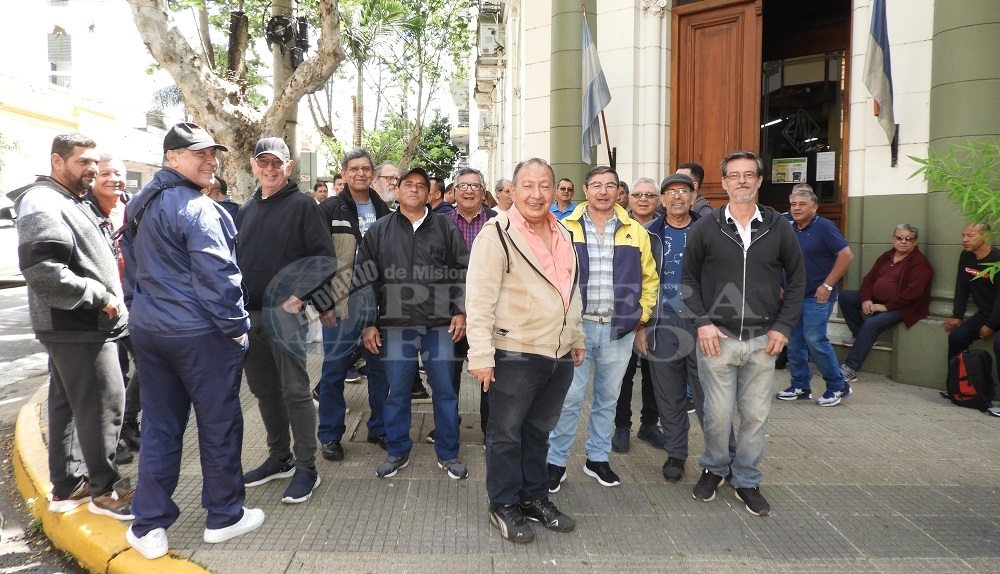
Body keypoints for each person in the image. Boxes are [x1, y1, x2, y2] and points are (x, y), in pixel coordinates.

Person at [120, 122, 262, 559]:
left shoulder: (139, 205)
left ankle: (149, 525)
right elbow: (219, 278)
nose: (210, 160)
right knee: (218, 424)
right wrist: (237, 326)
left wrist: (139, 311)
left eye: (212, 153)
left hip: (151, 332)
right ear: (171, 158)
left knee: (161, 427)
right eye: (197, 153)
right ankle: (223, 516)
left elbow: (130, 266)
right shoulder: (198, 208)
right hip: (201, 336)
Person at [9, 133, 133, 521]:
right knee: (104, 405)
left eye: (95, 162)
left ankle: (67, 487)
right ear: (57, 162)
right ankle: (105, 491)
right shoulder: (43, 200)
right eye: (83, 162)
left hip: (77, 325)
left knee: (66, 404)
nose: (92, 169)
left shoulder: (69, 199)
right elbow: (43, 270)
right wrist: (100, 296)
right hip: (78, 325)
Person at [467, 157, 584, 543]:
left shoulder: (564, 232)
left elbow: (571, 290)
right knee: (505, 435)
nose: (537, 194)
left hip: (558, 355)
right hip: (514, 353)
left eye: (544, 186)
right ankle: (503, 504)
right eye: (527, 186)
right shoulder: (495, 234)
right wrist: (481, 356)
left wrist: (577, 336)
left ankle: (533, 498)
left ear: (554, 191)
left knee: (538, 432)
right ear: (512, 192)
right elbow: (479, 300)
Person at [682, 150, 805, 517]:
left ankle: (747, 479)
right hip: (716, 338)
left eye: (748, 175)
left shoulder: (777, 225)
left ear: (759, 181)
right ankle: (715, 467)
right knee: (717, 414)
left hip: (762, 341)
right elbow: (687, 279)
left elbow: (797, 279)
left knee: (755, 415)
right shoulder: (707, 226)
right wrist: (702, 321)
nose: (741, 181)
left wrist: (783, 327)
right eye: (734, 175)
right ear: (723, 183)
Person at [237, 137, 337, 505]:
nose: (269, 169)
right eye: (263, 162)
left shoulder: (303, 206)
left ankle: (307, 468)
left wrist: (298, 298)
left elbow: (323, 260)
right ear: (253, 166)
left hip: (285, 319)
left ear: (289, 167)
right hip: (251, 318)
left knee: (295, 392)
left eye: (276, 163)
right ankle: (280, 458)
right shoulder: (246, 210)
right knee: (264, 392)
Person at [547, 165, 658, 490]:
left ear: (617, 191)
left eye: (610, 185)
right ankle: (556, 462)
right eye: (597, 185)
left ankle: (597, 458)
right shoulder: (563, 227)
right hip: (575, 330)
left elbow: (649, 278)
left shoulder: (634, 230)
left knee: (607, 399)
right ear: (586, 188)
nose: (603, 191)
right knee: (569, 399)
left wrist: (641, 314)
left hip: (618, 330)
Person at [359, 167, 470, 480]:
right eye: (408, 184)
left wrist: (460, 310)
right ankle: (397, 450)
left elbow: (462, 271)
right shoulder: (380, 230)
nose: (414, 190)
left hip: (439, 326)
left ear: (429, 193)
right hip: (395, 326)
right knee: (397, 392)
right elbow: (365, 279)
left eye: (421, 186)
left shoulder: (446, 229)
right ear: (397, 190)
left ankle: (448, 453)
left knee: (445, 390)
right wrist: (369, 322)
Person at [316, 148, 393, 460]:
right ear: (345, 174)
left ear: (372, 174)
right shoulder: (329, 210)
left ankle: (379, 426)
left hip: (376, 305)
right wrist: (323, 303)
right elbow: (316, 261)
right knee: (334, 371)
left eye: (366, 169)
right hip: (341, 304)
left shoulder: (386, 212)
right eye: (354, 169)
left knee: (380, 370)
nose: (360, 173)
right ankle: (331, 435)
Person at [644, 173, 705, 482]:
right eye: (671, 192)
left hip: (703, 324)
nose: (678, 196)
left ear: (693, 197)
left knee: (710, 395)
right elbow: (638, 280)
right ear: (662, 200)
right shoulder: (648, 233)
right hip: (662, 323)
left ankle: (720, 455)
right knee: (669, 395)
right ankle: (676, 453)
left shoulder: (710, 230)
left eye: (684, 191)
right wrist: (642, 325)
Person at [777, 184, 855, 406]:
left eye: (803, 204)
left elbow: (846, 255)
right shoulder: (788, 228)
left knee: (815, 340)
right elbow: (779, 259)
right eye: (793, 204)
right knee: (793, 342)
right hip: (793, 295)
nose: (797, 208)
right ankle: (800, 385)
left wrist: (828, 285)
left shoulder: (825, 227)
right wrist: (778, 284)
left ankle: (838, 386)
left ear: (815, 207)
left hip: (817, 296)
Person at [89, 155, 141, 465]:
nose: (113, 179)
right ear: (95, 176)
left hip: (135, 301)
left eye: (118, 174)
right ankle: (111, 440)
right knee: (111, 377)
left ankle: (129, 422)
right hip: (102, 307)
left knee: (150, 363)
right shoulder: (84, 208)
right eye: (105, 173)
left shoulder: (134, 207)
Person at [612, 177, 667, 454]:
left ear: (658, 200)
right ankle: (622, 427)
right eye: (637, 194)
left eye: (649, 194)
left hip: (660, 313)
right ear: (628, 198)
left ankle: (648, 425)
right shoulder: (617, 226)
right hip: (625, 314)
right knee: (622, 375)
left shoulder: (665, 229)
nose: (643, 199)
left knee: (653, 374)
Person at [838, 224, 933, 384]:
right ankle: (859, 335)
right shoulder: (886, 256)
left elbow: (913, 292)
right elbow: (868, 280)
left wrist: (886, 307)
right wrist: (866, 299)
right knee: (846, 296)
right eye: (899, 238)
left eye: (908, 239)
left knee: (871, 324)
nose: (903, 241)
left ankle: (850, 368)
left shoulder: (919, 263)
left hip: (903, 307)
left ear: (915, 242)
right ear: (893, 239)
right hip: (876, 301)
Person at [944, 223, 1000, 404]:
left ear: (986, 237)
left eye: (970, 235)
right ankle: (957, 387)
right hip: (987, 313)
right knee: (957, 337)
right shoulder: (966, 256)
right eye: (963, 235)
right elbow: (962, 285)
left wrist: (991, 324)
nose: (964, 240)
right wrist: (957, 315)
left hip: (995, 315)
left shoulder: (998, 259)